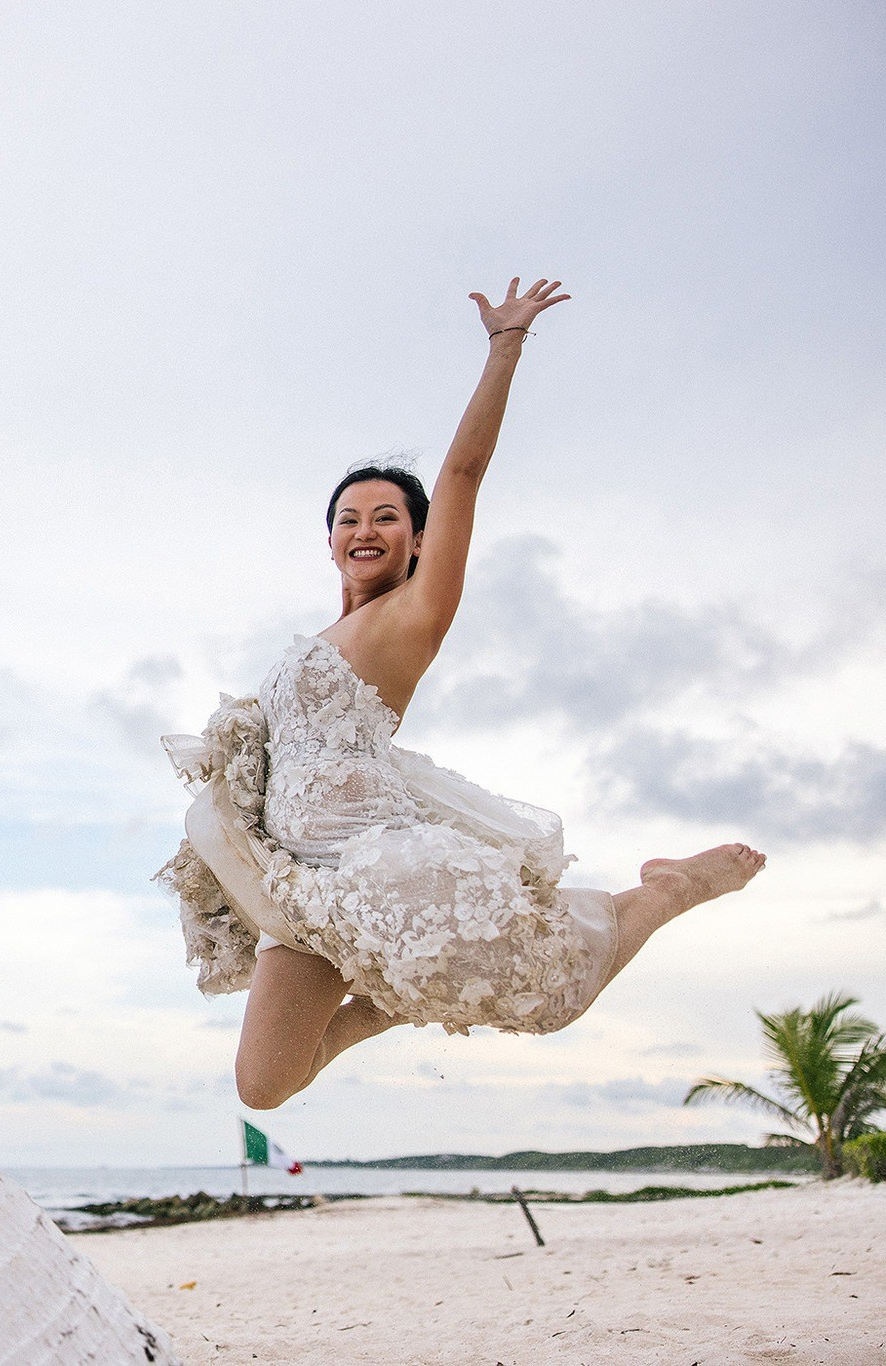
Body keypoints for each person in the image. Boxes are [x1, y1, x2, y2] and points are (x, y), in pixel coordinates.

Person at [158, 280, 764, 1110]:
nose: (365, 529)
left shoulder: (413, 616)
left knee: (546, 985)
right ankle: (392, 1001)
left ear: (418, 539)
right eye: (348, 518)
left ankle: (669, 889)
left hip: (374, 873)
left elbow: (464, 474)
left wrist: (504, 346)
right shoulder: (320, 637)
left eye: (387, 517)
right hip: (295, 889)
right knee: (264, 1085)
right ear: (329, 541)